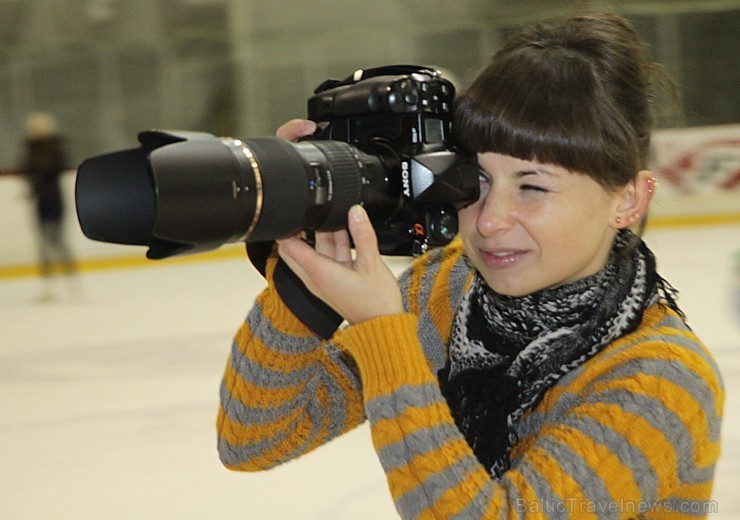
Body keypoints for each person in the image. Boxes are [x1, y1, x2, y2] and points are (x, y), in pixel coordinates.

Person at [217, 13, 723, 518]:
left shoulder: (659, 379)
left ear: (628, 200)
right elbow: (254, 438)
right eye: (475, 181)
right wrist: (301, 282)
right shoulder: (449, 290)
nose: (489, 221)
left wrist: (383, 332)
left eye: (532, 186)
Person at [21, 112, 77, 300]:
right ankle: (48, 285)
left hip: (55, 199)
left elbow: (53, 168)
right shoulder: (31, 148)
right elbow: (27, 170)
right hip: (41, 201)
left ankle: (71, 279)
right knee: (43, 242)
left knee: (58, 240)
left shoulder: (54, 147)